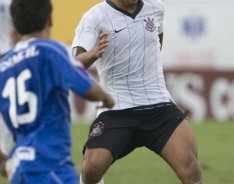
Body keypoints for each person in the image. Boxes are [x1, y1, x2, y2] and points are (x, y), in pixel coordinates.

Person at [0, 0, 114, 183]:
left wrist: (1, 160)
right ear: (49, 20)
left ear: (16, 26)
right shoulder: (52, 50)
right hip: (50, 165)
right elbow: (87, 89)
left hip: (18, 170)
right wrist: (106, 98)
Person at [72, 0, 204, 184]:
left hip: (158, 105)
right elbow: (76, 63)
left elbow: (158, 40)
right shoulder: (94, 17)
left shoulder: (156, 7)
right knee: (91, 169)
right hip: (117, 109)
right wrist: (93, 53)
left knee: (190, 165)